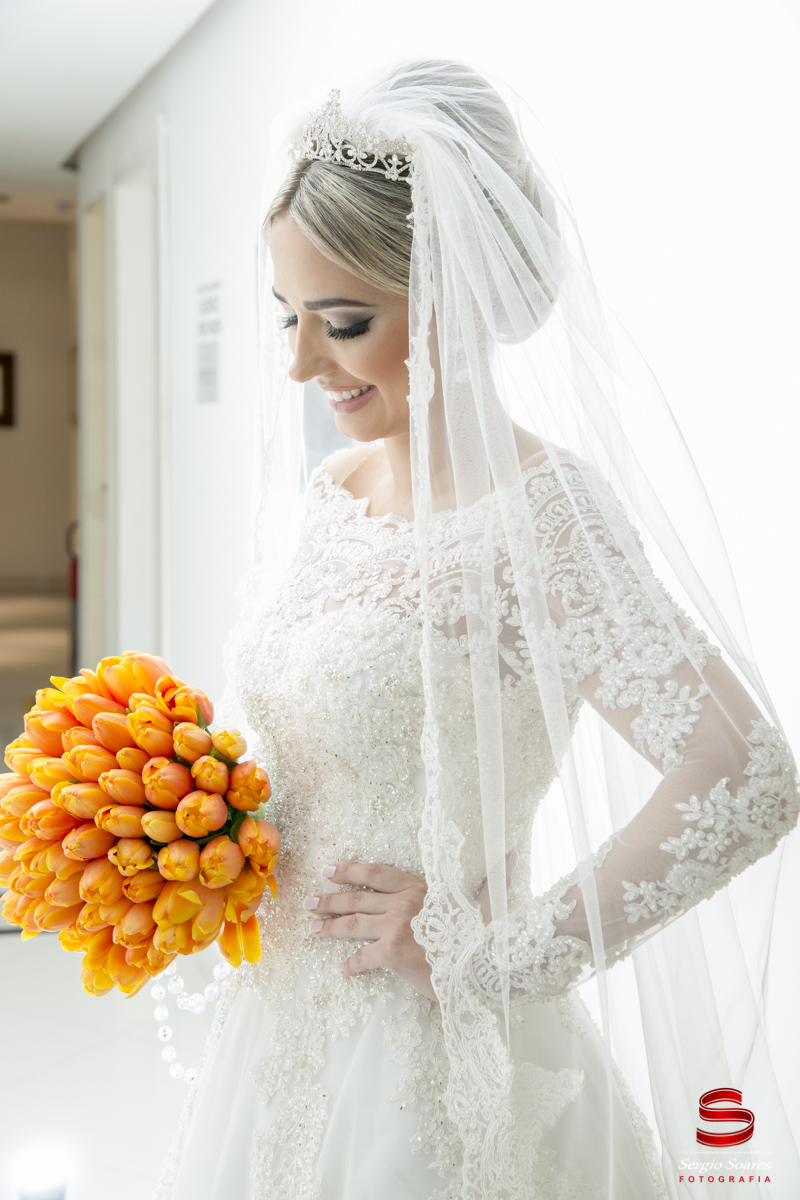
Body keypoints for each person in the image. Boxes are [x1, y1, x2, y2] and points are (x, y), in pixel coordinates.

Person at [156, 60, 800, 1200]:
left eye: (342, 322)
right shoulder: (333, 492)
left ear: (448, 297)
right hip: (281, 1023)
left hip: (427, 1060)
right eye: (287, 318)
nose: (300, 363)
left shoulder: (543, 520)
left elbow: (745, 774)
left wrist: (490, 953)